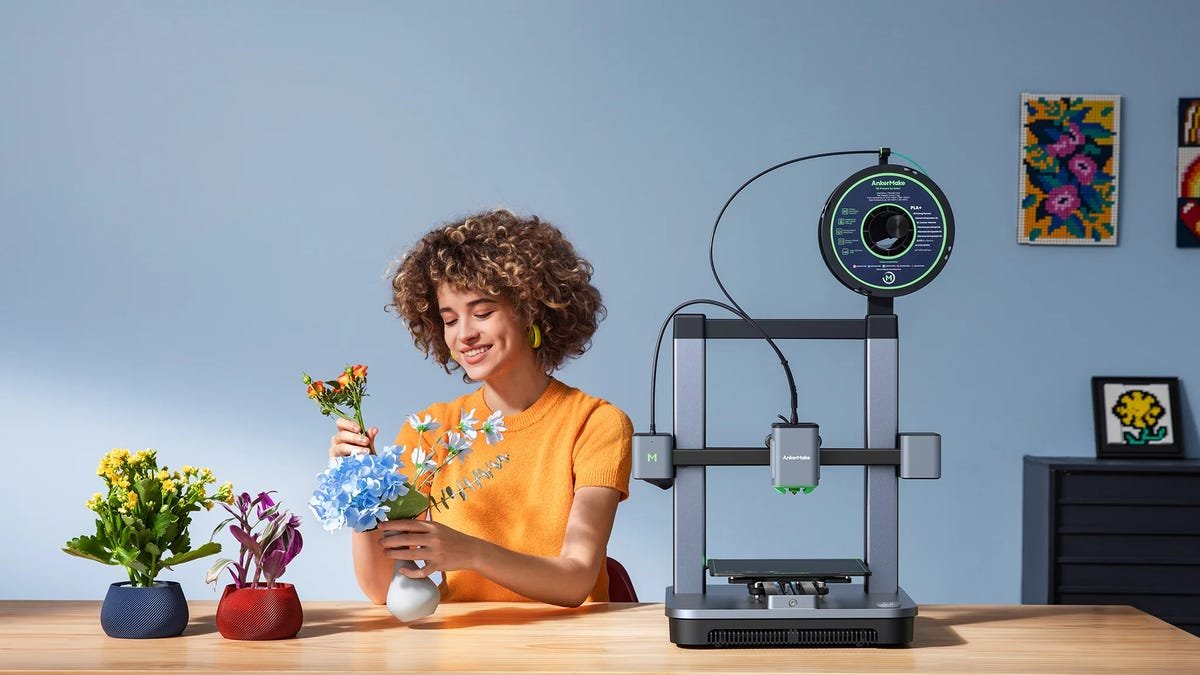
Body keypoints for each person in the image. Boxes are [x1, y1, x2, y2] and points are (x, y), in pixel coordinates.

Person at [327, 209, 633, 607]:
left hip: (567, 649)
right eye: (449, 319)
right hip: (462, 649)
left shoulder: (595, 423)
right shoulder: (430, 429)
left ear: (531, 310)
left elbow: (576, 579)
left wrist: (469, 552)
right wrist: (362, 488)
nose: (465, 334)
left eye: (483, 312)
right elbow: (381, 589)